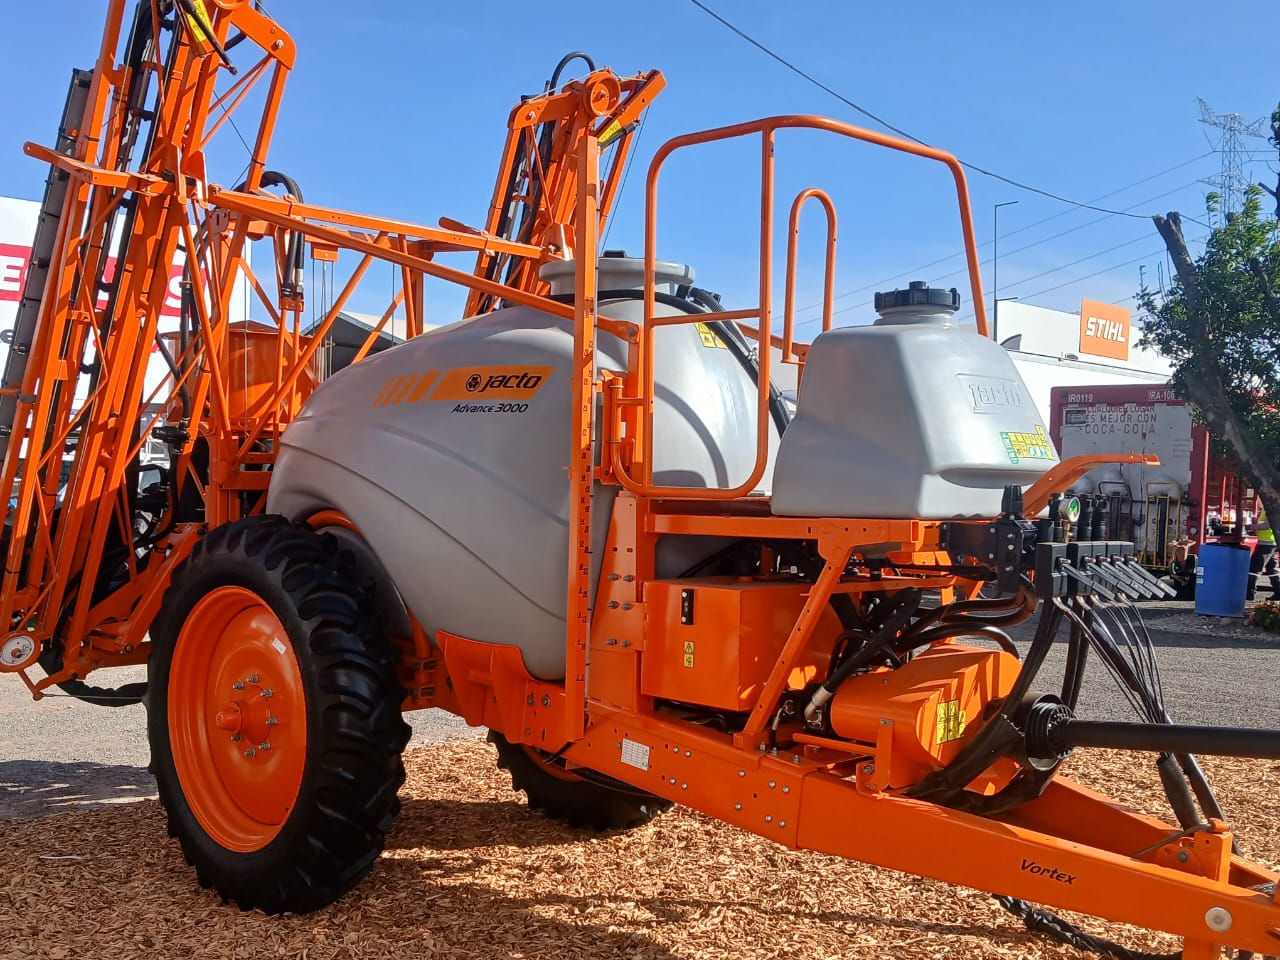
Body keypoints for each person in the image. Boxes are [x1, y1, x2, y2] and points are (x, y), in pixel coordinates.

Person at [1247, 505, 1280, 600]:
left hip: (1265, 544)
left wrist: (1251, 526)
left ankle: (1250, 593)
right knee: (1272, 570)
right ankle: (1278, 592)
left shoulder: (1272, 508)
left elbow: (1267, 525)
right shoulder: (1267, 509)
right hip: (1270, 543)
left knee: (1254, 569)